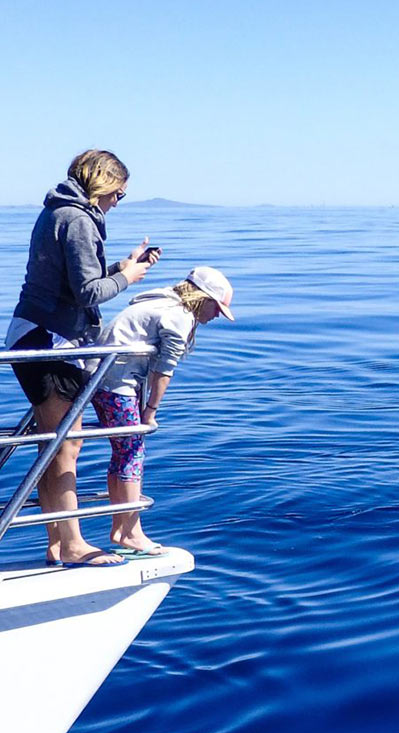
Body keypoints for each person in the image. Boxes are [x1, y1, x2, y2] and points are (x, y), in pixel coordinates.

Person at [5, 149, 158, 567]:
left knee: (52, 446)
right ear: (101, 183)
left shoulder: (58, 212)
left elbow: (75, 283)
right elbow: (89, 293)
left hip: (34, 334)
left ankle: (57, 542)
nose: (116, 203)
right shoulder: (76, 219)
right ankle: (72, 543)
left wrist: (120, 267)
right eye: (117, 194)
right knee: (64, 445)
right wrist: (128, 277)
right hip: (51, 342)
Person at [91, 267, 235, 554]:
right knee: (133, 453)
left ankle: (121, 528)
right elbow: (164, 370)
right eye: (216, 307)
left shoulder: (157, 301)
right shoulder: (179, 316)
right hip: (117, 385)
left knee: (123, 452)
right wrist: (151, 411)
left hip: (98, 379)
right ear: (201, 298)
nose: (217, 315)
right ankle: (130, 531)